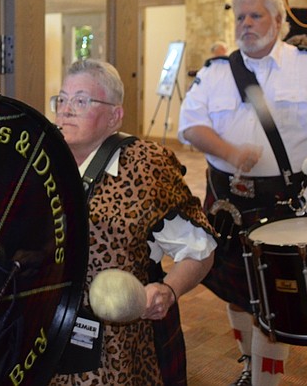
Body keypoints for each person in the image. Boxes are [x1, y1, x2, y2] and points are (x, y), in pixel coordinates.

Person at [178, 0, 307, 386]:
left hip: (287, 202)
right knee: (237, 294)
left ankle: (265, 382)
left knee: (276, 301)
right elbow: (191, 126)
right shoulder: (215, 73)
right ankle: (249, 366)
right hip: (227, 201)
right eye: (240, 17)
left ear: (279, 20)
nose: (246, 24)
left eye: (256, 16)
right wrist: (230, 153)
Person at [49, 59, 216, 386]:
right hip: (49, 331)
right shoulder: (43, 161)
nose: (66, 110)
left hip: (122, 347)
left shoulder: (146, 167)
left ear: (115, 116)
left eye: (81, 101)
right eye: (62, 99)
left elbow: (200, 250)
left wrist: (168, 290)